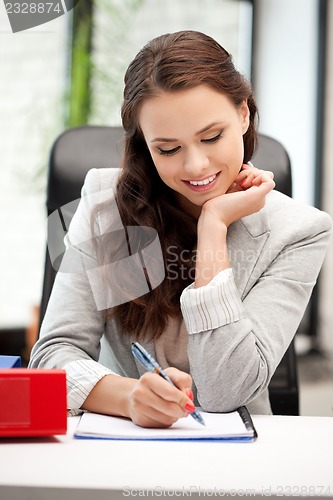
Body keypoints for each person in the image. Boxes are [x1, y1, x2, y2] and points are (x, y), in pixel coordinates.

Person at [29, 30, 332, 427]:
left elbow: (225, 393)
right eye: (168, 149)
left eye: (211, 137)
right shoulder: (105, 205)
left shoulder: (300, 231)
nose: (195, 167)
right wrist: (128, 398)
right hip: (121, 443)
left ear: (243, 115)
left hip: (239, 457)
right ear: (144, 144)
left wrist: (213, 227)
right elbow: (54, 352)